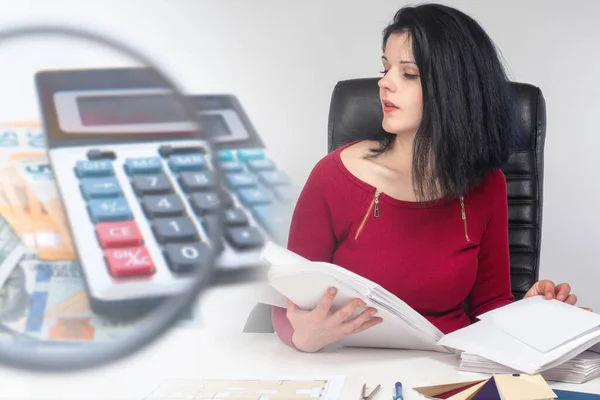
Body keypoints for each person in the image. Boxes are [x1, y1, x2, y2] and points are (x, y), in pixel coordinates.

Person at [271, 2, 586, 354]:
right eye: (386, 68)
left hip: (447, 367)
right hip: (351, 367)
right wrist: (303, 336)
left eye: (408, 74)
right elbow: (287, 307)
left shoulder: (486, 185)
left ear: (454, 89)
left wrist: (531, 313)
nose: (384, 83)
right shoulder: (335, 176)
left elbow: (490, 306)